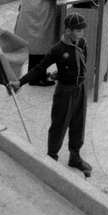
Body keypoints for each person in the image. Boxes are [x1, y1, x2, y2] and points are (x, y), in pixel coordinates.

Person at [17, 11, 93, 176]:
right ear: (68, 31)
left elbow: (80, 64)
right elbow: (39, 68)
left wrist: (61, 73)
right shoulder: (58, 49)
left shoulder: (82, 43)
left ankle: (75, 156)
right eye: (78, 30)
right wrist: (20, 82)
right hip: (65, 91)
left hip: (79, 88)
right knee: (59, 125)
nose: (81, 33)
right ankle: (52, 159)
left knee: (78, 124)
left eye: (82, 30)